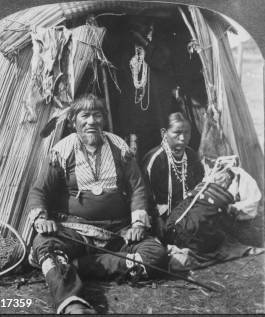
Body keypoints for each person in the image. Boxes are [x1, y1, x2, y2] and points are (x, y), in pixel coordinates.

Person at [26, 94, 167, 314]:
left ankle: (82, 266)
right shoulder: (62, 151)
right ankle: (71, 302)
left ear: (104, 120)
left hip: (118, 232)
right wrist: (42, 219)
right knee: (45, 244)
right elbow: (39, 191)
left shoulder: (119, 147)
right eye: (85, 115)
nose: (91, 121)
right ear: (74, 121)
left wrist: (138, 225)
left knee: (155, 255)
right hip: (75, 232)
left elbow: (138, 188)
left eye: (97, 115)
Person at [142, 112, 205, 218]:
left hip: (190, 211)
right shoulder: (155, 159)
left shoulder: (191, 156)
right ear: (164, 133)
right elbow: (145, 196)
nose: (182, 138)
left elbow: (200, 184)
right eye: (177, 132)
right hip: (162, 217)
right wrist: (157, 219)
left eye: (187, 133)